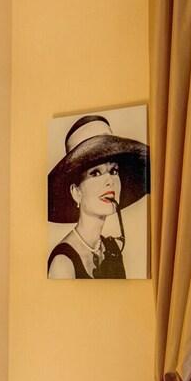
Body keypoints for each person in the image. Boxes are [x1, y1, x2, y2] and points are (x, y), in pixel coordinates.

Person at [46, 113, 148, 279]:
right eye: (95, 173)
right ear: (76, 192)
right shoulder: (63, 264)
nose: (110, 181)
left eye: (113, 171)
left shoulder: (112, 249)